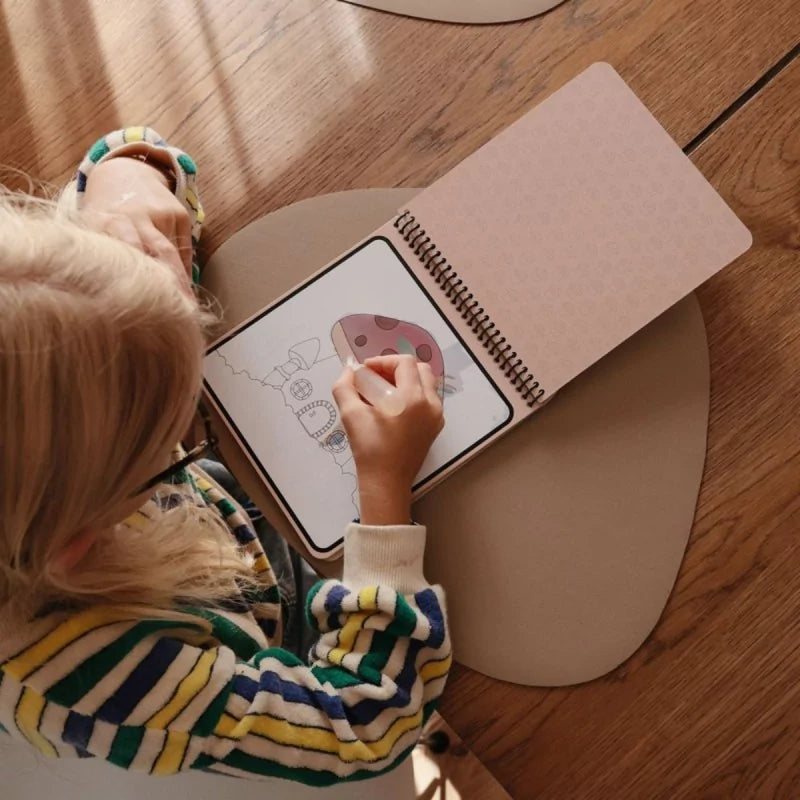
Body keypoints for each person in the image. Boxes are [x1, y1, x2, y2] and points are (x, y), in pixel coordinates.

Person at [0, 128, 450, 786]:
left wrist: (130, 179)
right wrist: (384, 495)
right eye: (175, 437)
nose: (185, 437)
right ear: (75, 542)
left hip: (244, 527)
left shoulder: (39, 330)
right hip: (288, 634)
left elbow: (122, 149)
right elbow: (362, 725)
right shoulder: (91, 681)